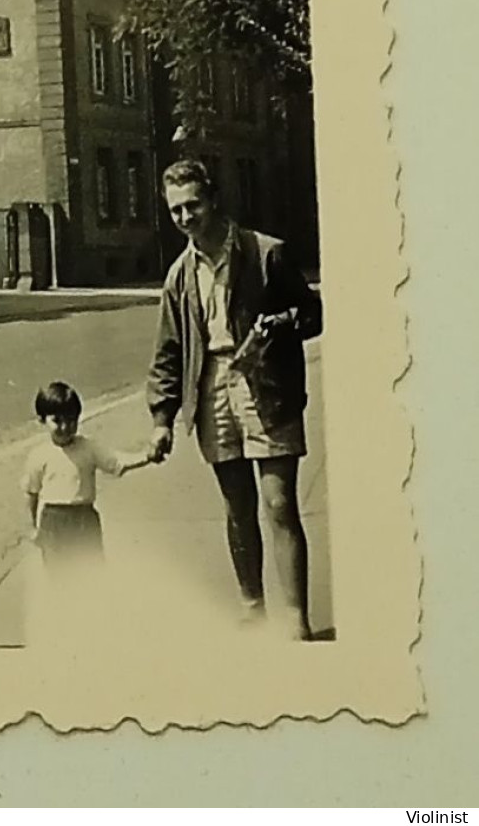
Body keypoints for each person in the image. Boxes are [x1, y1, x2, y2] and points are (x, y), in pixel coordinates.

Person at [147, 159, 323, 640]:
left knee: (280, 501)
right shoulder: (179, 275)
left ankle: (295, 618)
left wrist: (280, 324)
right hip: (211, 389)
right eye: (176, 210)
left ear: (214, 200)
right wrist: (162, 417)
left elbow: (313, 314)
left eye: (193, 205)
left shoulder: (266, 254)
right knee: (236, 504)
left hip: (266, 384)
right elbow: (169, 351)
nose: (186, 217)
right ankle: (253, 606)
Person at [22, 381, 157, 574]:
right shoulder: (39, 455)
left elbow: (117, 462)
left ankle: (91, 603)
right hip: (53, 522)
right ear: (42, 420)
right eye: (57, 420)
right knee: (57, 574)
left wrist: (147, 456)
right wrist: (32, 527)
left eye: (71, 420)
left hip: (84, 518)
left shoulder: (88, 447)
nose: (65, 427)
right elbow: (31, 493)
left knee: (91, 569)